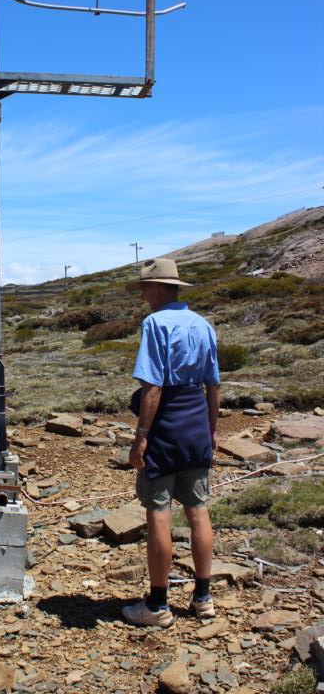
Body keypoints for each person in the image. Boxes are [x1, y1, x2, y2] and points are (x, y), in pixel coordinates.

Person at [121, 257, 220, 628]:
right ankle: (203, 598)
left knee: (158, 511)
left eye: (146, 287)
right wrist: (211, 430)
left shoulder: (155, 324)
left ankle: (158, 605)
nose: (144, 294)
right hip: (195, 420)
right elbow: (214, 385)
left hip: (166, 424)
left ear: (160, 287)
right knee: (198, 507)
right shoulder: (203, 324)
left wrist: (141, 437)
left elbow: (153, 388)